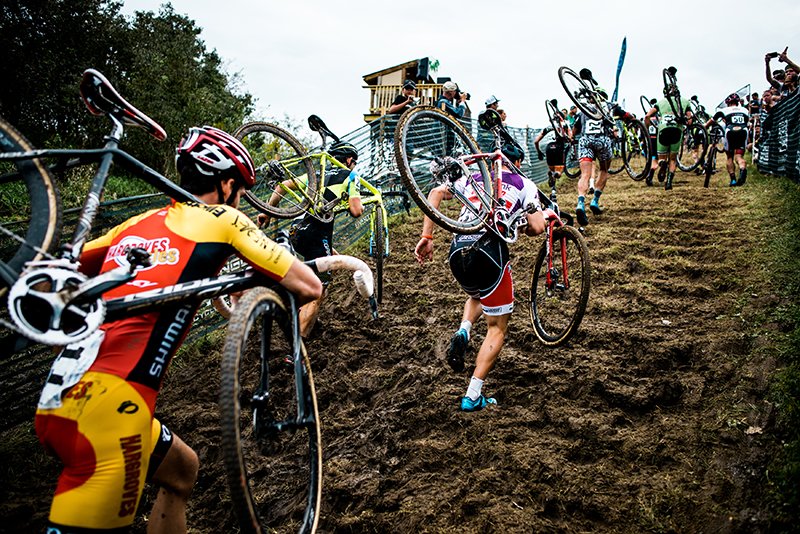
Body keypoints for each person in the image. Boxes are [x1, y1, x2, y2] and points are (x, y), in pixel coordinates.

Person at [34, 126, 322, 532]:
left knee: (182, 470)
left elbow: (50, 273)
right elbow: (309, 286)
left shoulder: (134, 225)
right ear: (226, 185)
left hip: (59, 399)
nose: (239, 198)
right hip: (116, 410)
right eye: (239, 189)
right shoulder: (223, 219)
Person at [413, 143, 546, 412]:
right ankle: (472, 395)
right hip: (490, 253)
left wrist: (427, 236)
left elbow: (436, 192)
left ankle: (464, 329)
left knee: (477, 292)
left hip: (458, 251)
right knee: (496, 328)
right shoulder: (524, 183)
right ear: (517, 162)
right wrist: (521, 223)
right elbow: (537, 226)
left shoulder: (472, 177)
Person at [262, 141, 364, 338]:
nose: (354, 166)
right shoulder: (350, 175)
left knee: (317, 277)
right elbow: (356, 210)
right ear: (349, 160)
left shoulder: (315, 175)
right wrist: (360, 205)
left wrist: (268, 212)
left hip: (297, 232)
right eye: (355, 162)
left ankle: (307, 322)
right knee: (318, 290)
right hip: (317, 234)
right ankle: (296, 347)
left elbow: (283, 186)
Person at [571, 85, 636, 225]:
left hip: (586, 140)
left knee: (585, 175)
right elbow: (627, 116)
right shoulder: (609, 106)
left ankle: (580, 202)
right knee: (604, 170)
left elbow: (574, 130)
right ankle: (595, 200)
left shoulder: (584, 108)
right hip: (603, 140)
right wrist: (632, 120)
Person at [643, 76, 693, 191]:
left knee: (662, 158)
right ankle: (669, 182)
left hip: (663, 130)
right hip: (677, 130)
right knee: (673, 159)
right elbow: (690, 121)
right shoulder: (685, 101)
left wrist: (648, 126)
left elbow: (647, 116)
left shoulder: (661, 102)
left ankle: (662, 164)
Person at [706, 93, 750, 186]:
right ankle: (742, 170)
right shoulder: (745, 110)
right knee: (739, 156)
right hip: (743, 131)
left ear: (727, 102)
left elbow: (711, 121)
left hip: (730, 132)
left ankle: (733, 180)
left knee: (729, 157)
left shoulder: (724, 110)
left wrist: (704, 127)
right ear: (738, 102)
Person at [534, 105, 572, 188]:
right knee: (559, 172)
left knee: (552, 169)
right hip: (559, 146)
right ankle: (555, 175)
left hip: (549, 148)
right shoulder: (564, 124)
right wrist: (570, 139)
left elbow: (536, 141)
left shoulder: (548, 127)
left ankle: (553, 188)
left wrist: (539, 152)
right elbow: (570, 134)